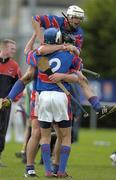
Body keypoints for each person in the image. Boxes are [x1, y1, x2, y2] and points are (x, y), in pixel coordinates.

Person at [2, 28, 115, 177]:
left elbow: (27, 57)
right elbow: (77, 78)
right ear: (60, 39)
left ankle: (49, 169)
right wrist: (68, 61)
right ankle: (41, 168)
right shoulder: (67, 54)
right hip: (51, 96)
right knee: (54, 135)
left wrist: (9, 97)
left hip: (42, 97)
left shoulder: (38, 54)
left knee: (47, 135)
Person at [0, 39, 22, 167]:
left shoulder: (14, 66)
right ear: (4, 48)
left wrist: (11, 99)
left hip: (5, 104)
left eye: (14, 48)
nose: (14, 50)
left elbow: (20, 84)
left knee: (2, 130)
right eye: (11, 48)